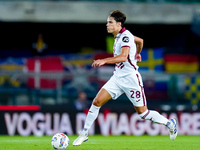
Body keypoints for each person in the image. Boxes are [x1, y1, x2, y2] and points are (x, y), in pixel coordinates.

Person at [73, 10, 178, 146]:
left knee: (143, 113)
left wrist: (104, 60)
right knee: (97, 101)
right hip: (117, 78)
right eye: (107, 22)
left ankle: (170, 123)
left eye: (110, 22)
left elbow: (123, 57)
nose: (107, 25)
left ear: (118, 24)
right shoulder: (119, 36)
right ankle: (84, 133)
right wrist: (137, 54)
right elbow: (140, 41)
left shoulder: (125, 37)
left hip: (131, 79)